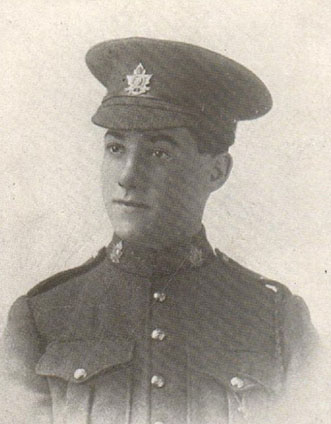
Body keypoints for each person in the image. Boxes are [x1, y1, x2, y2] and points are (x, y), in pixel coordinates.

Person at [1, 37, 318, 424]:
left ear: (216, 171)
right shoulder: (44, 318)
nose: (128, 177)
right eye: (116, 148)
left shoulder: (276, 321)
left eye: (159, 153)